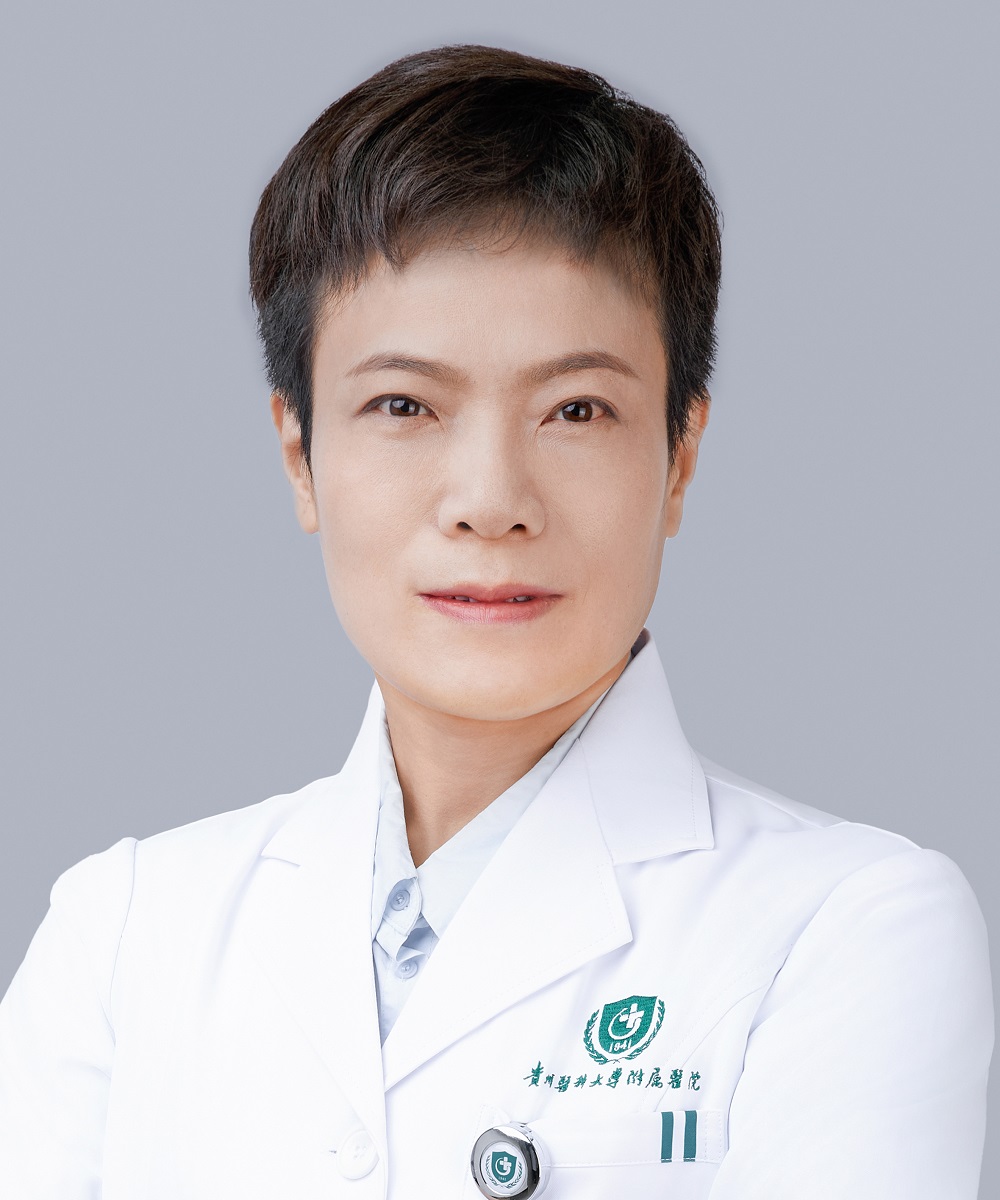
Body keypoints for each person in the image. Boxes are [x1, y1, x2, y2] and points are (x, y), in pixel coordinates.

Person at [0, 42, 992, 1200]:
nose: (489, 501)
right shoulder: (125, 929)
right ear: (299, 455)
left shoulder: (848, 930)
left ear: (678, 458)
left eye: (576, 410)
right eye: (403, 404)